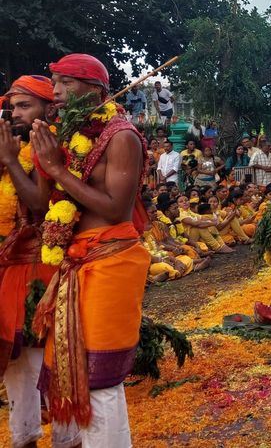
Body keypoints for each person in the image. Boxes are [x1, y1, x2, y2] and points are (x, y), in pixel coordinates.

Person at [29, 54, 151, 445]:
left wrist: (58, 168)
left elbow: (116, 206)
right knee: (71, 366)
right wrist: (40, 160)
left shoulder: (121, 136)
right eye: (54, 83)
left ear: (94, 90)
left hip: (110, 260)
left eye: (65, 83)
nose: (56, 92)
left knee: (99, 375)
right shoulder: (66, 135)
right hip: (74, 261)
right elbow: (41, 203)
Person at [0, 76, 80, 448]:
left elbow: (37, 204)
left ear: (49, 109)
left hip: (43, 263)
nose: (15, 113)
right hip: (9, 265)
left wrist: (10, 161)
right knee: (16, 366)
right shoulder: (10, 145)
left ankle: (67, 439)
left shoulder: (51, 146)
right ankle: (23, 438)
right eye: (13, 106)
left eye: (24, 105)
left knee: (51, 358)